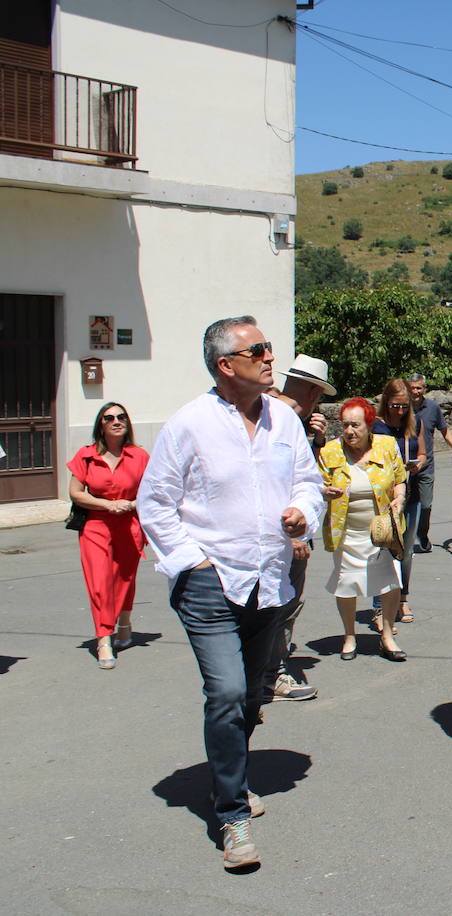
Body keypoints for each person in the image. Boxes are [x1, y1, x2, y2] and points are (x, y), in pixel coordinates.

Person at [137, 316, 323, 869]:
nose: (271, 358)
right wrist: (193, 565)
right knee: (223, 694)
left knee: (248, 696)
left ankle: (232, 776)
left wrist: (302, 514)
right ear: (226, 365)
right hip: (211, 583)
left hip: (270, 580)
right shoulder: (188, 425)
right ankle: (231, 815)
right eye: (259, 350)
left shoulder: (284, 422)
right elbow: (155, 504)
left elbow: (308, 483)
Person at [260, 354, 335, 703]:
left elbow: (304, 478)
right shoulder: (281, 419)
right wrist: (296, 536)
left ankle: (268, 668)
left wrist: (316, 442)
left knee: (278, 603)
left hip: (285, 531)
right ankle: (273, 673)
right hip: (284, 534)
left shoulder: (279, 418)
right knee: (281, 603)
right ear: (311, 393)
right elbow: (275, 487)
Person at [318, 397, 409, 662]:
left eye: (355, 425)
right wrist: (325, 491)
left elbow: (400, 478)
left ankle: (388, 635)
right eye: (345, 425)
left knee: (391, 584)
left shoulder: (386, 445)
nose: (349, 432)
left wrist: (399, 498)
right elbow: (315, 484)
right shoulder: (330, 452)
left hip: (380, 532)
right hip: (346, 532)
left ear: (369, 425)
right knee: (345, 583)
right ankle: (349, 636)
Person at [68, 402, 150, 670]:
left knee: (125, 579)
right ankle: (104, 639)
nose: (117, 421)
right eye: (110, 418)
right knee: (100, 583)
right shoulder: (86, 455)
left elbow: (153, 490)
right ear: (100, 426)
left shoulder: (139, 456)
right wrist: (107, 505)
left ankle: (124, 624)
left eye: (122, 416)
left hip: (130, 523)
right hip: (96, 524)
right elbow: (76, 492)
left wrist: (133, 504)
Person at [373, 379, 424, 625]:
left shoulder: (414, 425)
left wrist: (419, 464)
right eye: (396, 406)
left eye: (405, 407)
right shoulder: (375, 426)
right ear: (386, 402)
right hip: (384, 498)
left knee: (406, 551)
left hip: (411, 494)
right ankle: (380, 607)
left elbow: (422, 453)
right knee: (383, 550)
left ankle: (402, 599)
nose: (401, 411)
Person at [407, 373, 452, 554]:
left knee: (426, 505)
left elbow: (445, 431)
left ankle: (422, 536)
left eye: (419, 388)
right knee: (403, 503)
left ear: (424, 389)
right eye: (412, 388)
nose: (415, 391)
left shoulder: (432, 407)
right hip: (404, 465)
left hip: (426, 465)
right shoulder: (401, 407)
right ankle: (403, 539)